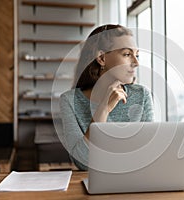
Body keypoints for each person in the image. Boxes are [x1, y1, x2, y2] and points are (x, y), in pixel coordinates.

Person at [59, 24, 154, 170]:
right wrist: (103, 109)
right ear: (102, 58)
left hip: (135, 183)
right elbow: (83, 163)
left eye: (137, 55)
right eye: (127, 54)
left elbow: (148, 156)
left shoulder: (142, 95)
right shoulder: (69, 101)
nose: (136, 63)